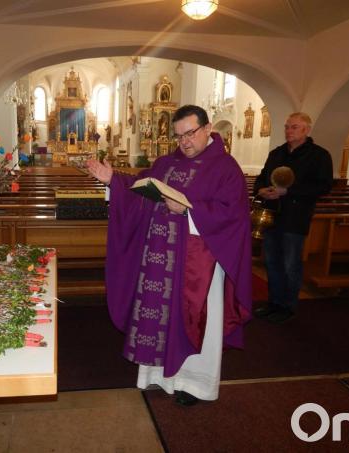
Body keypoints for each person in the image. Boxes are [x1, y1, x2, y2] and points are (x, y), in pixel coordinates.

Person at [86, 105, 252, 406]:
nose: (184, 142)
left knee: (195, 319)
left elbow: (234, 216)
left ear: (208, 127)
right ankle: (156, 377)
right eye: (178, 136)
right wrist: (113, 180)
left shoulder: (226, 168)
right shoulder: (166, 162)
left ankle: (195, 384)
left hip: (197, 263)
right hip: (158, 258)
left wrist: (190, 210)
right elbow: (139, 187)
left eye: (190, 133)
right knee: (158, 316)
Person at [252, 112, 333, 323]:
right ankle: (274, 303)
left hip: (295, 218)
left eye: (294, 127)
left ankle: (287, 307)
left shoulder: (319, 155)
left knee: (290, 264)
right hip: (272, 215)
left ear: (306, 130)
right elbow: (261, 178)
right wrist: (261, 190)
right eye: (287, 126)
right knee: (272, 262)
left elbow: (323, 186)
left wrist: (288, 192)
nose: (289, 130)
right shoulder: (277, 153)